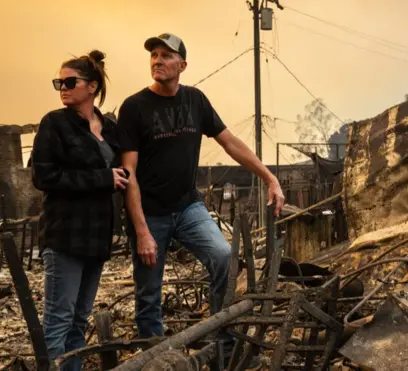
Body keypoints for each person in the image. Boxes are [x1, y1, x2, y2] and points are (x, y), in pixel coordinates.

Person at [117, 32, 284, 364]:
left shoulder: (196, 100)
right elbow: (128, 174)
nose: (157, 61)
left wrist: (270, 177)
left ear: (182, 65)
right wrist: (141, 231)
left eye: (166, 55)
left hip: (188, 206)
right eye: (153, 55)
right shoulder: (134, 107)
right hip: (150, 213)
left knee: (223, 257)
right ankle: (155, 361)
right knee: (149, 293)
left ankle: (221, 347)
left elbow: (231, 143)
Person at [31, 50, 128, 371]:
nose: (63, 87)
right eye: (58, 81)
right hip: (65, 237)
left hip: (97, 239)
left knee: (78, 322)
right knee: (58, 322)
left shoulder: (110, 128)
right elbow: (44, 176)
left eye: (70, 81)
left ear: (92, 86)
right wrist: (102, 177)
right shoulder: (54, 124)